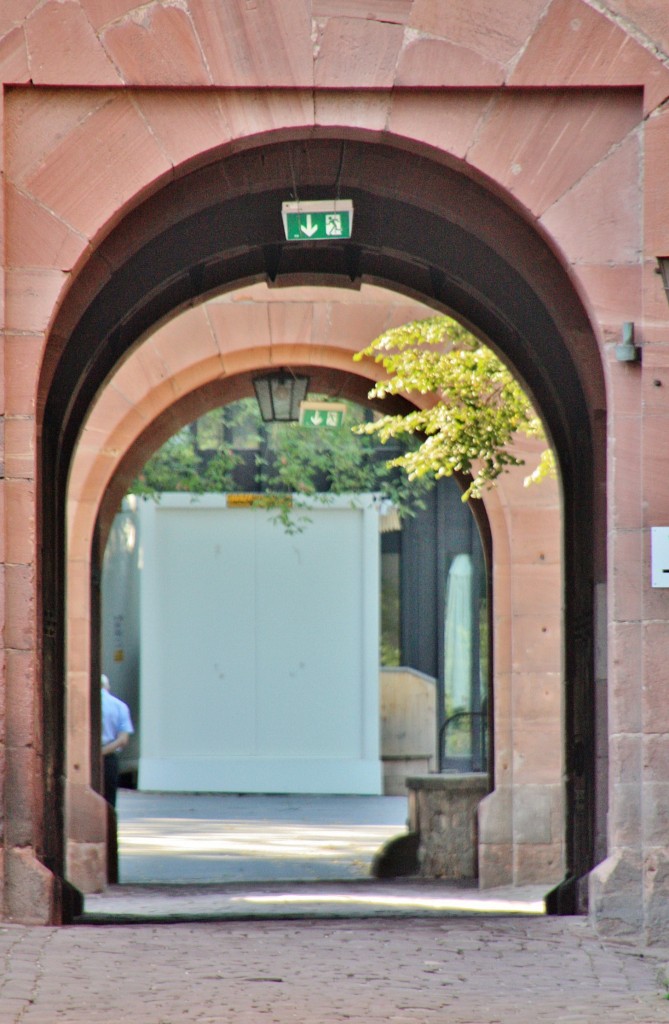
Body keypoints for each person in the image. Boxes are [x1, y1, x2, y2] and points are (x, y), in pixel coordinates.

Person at [101, 673, 134, 808]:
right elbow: (123, 739)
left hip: (83, 759)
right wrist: (102, 751)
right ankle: (108, 825)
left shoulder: (81, 704)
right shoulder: (120, 706)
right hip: (109, 757)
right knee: (109, 799)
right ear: (107, 686)